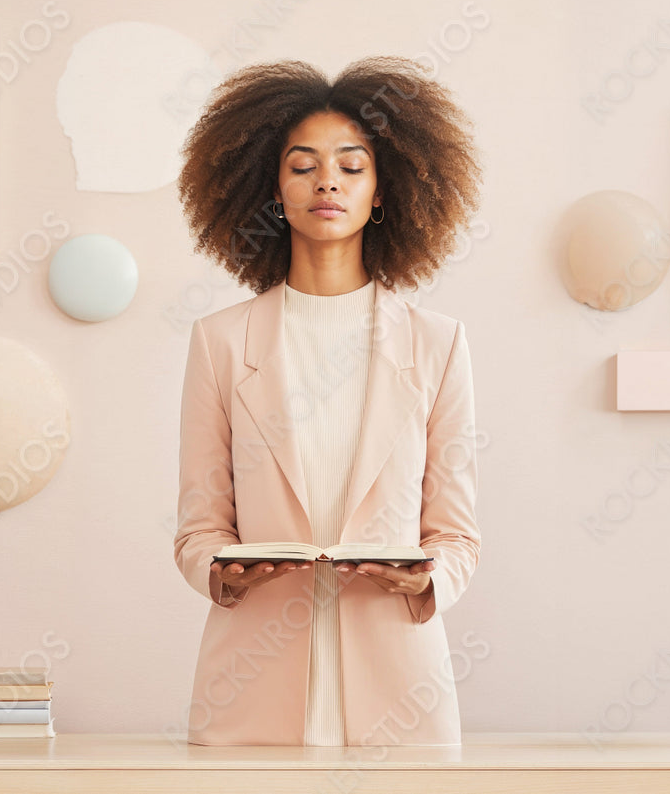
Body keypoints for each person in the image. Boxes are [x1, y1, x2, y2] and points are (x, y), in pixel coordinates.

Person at [172, 56, 482, 747]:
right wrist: (220, 571)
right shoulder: (219, 342)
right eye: (302, 164)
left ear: (382, 192)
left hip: (399, 691)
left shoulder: (438, 343)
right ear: (273, 190)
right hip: (251, 689)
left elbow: (457, 534)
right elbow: (198, 528)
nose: (328, 181)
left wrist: (426, 580)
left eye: (352, 164)